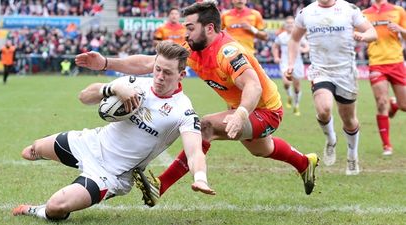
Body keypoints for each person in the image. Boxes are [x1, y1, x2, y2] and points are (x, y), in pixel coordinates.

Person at [75, 1, 319, 208]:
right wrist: (106, 63)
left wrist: (241, 113)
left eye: (190, 28)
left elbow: (253, 86)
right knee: (261, 150)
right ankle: (304, 162)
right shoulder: (193, 49)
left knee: (205, 127)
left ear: (209, 28)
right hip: (243, 108)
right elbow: (151, 63)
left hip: (264, 111)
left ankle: (161, 184)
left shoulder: (228, 52)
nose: (186, 33)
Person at [12, 41, 215, 221]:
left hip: (111, 173)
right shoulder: (135, 83)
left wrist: (200, 178)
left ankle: (38, 210)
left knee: (56, 207)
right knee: (31, 151)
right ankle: (50, 153)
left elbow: (194, 151)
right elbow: (84, 97)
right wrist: (113, 88)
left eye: (168, 73)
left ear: (182, 74)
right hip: (91, 142)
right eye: (157, 69)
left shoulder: (184, 111)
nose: (160, 77)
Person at [287, 0, 377, 175]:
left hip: (345, 73)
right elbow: (294, 39)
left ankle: (352, 156)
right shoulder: (306, 12)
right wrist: (290, 64)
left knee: (349, 120)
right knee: (324, 109)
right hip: (320, 71)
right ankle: (331, 139)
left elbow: (373, 32)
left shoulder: (349, 9)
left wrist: (363, 37)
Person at [362, 0, 406, 156]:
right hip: (377, 63)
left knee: (404, 105)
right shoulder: (364, 14)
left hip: (397, 62)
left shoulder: (398, 10)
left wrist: (400, 29)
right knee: (381, 102)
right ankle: (387, 145)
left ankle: (394, 105)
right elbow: (358, 34)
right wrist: (360, 36)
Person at [272, 16, 309, 116]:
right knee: (286, 83)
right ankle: (289, 96)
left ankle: (296, 105)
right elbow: (275, 47)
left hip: (297, 64)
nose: (289, 25)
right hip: (285, 63)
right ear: (285, 25)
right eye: (288, 23)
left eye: (292, 23)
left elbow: (307, 47)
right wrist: (276, 57)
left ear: (295, 25)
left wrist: (303, 50)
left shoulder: (299, 36)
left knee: (297, 88)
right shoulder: (281, 36)